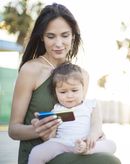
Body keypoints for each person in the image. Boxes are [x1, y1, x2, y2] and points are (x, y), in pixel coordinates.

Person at [8, 3, 121, 164]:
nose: (59, 43)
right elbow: (13, 130)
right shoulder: (30, 71)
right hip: (40, 155)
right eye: (51, 36)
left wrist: (94, 133)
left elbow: (78, 115)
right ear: (42, 37)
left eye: (65, 35)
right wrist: (38, 130)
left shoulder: (82, 75)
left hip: (73, 149)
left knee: (109, 156)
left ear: (73, 36)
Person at [28, 63, 116, 164]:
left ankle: (86, 149)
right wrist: (43, 127)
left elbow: (97, 124)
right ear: (55, 93)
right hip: (62, 144)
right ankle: (86, 149)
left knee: (111, 145)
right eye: (63, 92)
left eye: (74, 90)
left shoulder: (91, 105)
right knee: (36, 152)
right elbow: (51, 137)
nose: (69, 95)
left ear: (83, 88)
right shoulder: (56, 110)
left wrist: (92, 137)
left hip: (86, 141)